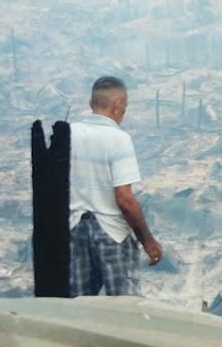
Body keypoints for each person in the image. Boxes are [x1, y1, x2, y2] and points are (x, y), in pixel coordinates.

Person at [68, 76, 163, 296]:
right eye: (126, 106)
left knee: (79, 302)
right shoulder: (118, 139)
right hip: (111, 233)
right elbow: (124, 198)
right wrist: (148, 241)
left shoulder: (70, 133)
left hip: (75, 229)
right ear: (118, 105)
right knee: (123, 305)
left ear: (91, 104)